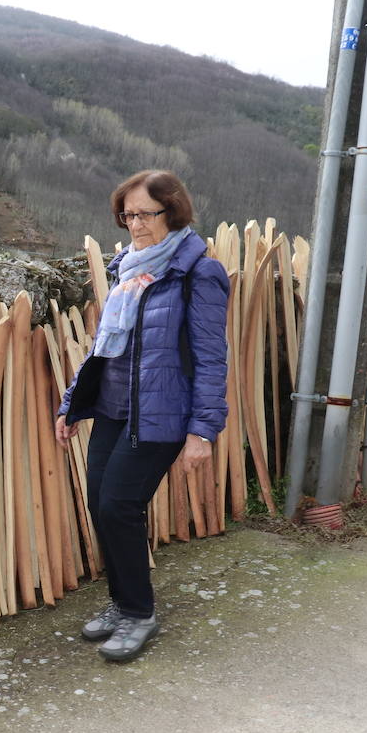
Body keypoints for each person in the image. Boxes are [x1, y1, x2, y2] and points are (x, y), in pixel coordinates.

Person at [55, 170, 230, 661]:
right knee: (100, 505)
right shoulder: (127, 268)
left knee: (118, 507)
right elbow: (105, 348)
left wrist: (202, 430)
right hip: (113, 407)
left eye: (145, 214)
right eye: (127, 214)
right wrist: (73, 403)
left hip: (160, 414)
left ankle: (139, 613)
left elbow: (212, 357)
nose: (134, 224)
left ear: (172, 212)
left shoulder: (199, 273)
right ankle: (121, 602)